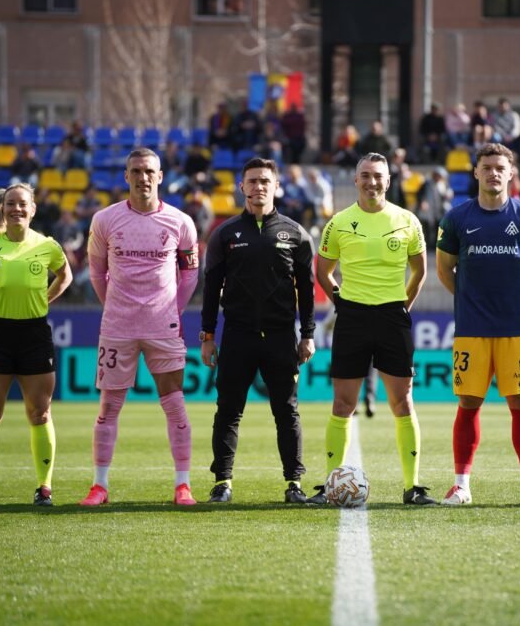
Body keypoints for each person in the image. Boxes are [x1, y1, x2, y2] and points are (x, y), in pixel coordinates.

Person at [309, 152, 434, 505]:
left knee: (402, 401)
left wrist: (403, 307)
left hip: (393, 317)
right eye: (365, 175)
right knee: (342, 403)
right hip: (352, 318)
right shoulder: (339, 222)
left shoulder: (407, 220)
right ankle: (332, 485)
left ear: (388, 181)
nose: (372, 182)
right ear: (356, 180)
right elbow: (323, 271)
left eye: (378, 175)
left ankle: (412, 487)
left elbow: (420, 271)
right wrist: (341, 302)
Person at [79, 148, 201, 507]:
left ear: (160, 176)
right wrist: (114, 306)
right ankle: (99, 486)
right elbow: (97, 272)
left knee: (175, 404)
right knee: (108, 407)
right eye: (136, 171)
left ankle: (183, 485)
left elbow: (191, 273)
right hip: (118, 327)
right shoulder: (104, 220)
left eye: (149, 171)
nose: (143, 177)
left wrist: (172, 309)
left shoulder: (180, 222)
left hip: (163, 327)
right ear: (126, 176)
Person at [435, 142, 520, 507]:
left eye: (500, 167)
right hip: (471, 328)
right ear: (476, 172)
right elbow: (443, 269)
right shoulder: (457, 218)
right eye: (487, 167)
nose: (493, 173)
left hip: (515, 328)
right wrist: (469, 301)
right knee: (468, 403)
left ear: (511, 173)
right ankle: (461, 485)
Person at [199, 157, 316, 504]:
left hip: (281, 338)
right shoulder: (225, 233)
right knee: (229, 410)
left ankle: (294, 484)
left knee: (287, 411)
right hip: (237, 335)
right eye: (252, 181)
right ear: (242, 187)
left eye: (265, 181)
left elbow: (307, 290)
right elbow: (210, 289)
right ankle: (222, 482)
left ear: (276, 186)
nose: (258, 187)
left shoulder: (295, 234)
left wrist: (307, 334)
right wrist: (207, 337)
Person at [0, 183, 73, 506]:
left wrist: (44, 299)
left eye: (22, 204)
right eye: (10, 204)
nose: (16, 209)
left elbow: (65, 276)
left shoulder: (47, 245)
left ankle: (44, 487)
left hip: (35, 335)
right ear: (2, 208)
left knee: (40, 412)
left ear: (33, 209)